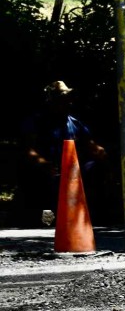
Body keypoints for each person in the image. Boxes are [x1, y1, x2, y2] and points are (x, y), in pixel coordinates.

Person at [15, 81, 109, 227]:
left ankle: (93, 217)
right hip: (48, 171)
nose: (68, 102)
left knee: (95, 168)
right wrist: (42, 163)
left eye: (68, 99)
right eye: (62, 99)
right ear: (51, 101)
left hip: (72, 171)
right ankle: (46, 222)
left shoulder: (74, 122)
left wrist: (99, 151)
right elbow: (29, 149)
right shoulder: (36, 121)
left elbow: (91, 145)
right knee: (43, 181)